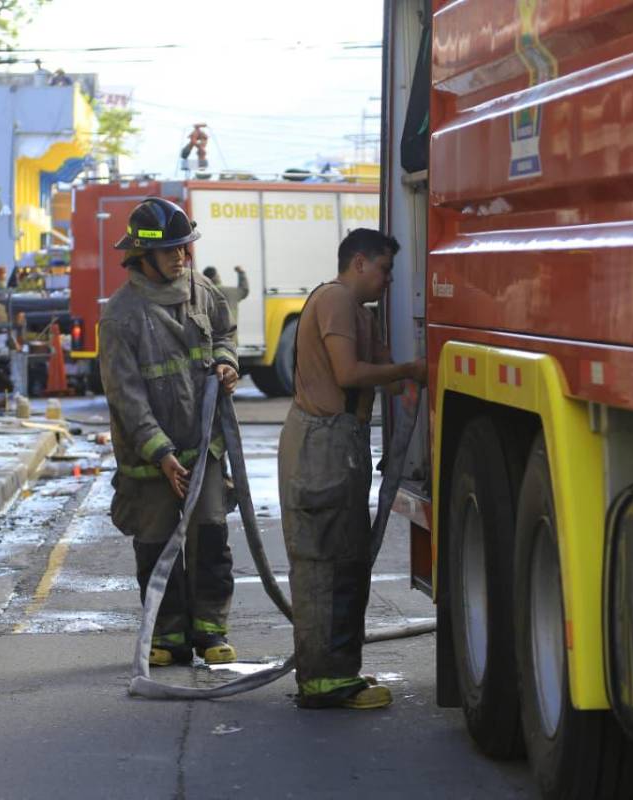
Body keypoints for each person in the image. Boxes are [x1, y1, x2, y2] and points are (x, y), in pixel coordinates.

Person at [277, 228, 426, 710]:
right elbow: (348, 374)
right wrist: (408, 371)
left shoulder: (360, 313)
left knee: (346, 559)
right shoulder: (337, 300)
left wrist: (400, 371)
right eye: (384, 269)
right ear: (358, 262)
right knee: (326, 565)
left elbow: (376, 361)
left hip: (338, 445)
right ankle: (325, 682)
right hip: (321, 446)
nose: (388, 280)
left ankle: (338, 672)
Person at [99, 198, 242, 667]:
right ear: (142, 255)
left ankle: (211, 632)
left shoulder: (203, 291)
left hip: (205, 450)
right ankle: (168, 634)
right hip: (151, 461)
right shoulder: (121, 315)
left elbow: (225, 333)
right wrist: (160, 453)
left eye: (185, 247)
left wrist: (226, 361)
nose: (181, 257)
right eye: (171, 251)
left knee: (210, 539)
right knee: (158, 546)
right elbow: (127, 395)